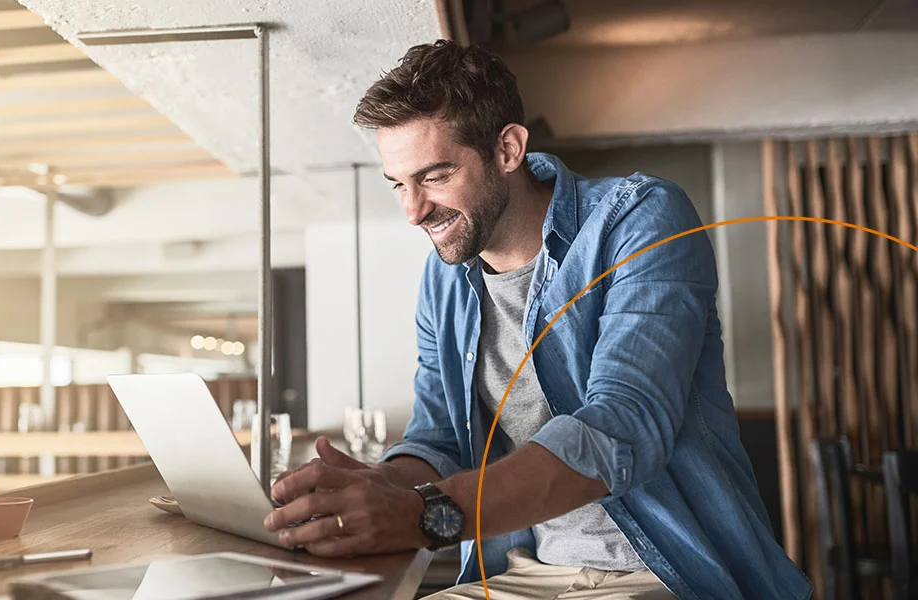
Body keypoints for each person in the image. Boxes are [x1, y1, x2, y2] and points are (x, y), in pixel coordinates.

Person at [263, 40, 812, 600]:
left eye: (435, 175)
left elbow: (624, 424)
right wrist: (376, 486)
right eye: (399, 184)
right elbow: (439, 439)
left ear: (507, 148)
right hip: (519, 571)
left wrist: (421, 515)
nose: (413, 211)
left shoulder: (641, 219)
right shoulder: (444, 277)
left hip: (663, 573)